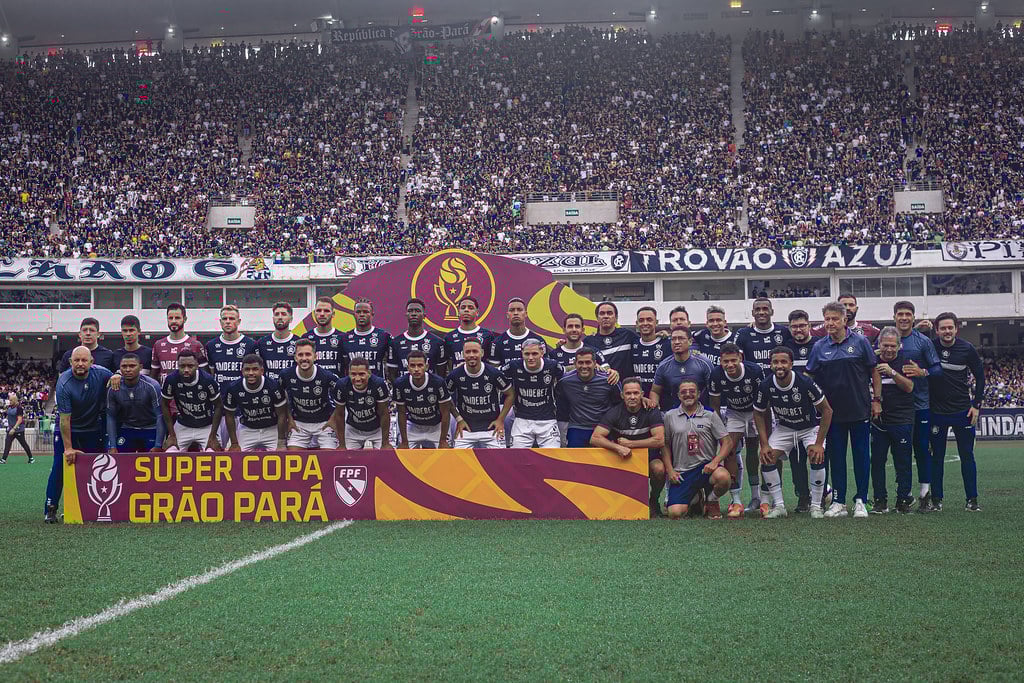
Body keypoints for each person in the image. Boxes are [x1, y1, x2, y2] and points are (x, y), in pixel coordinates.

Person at [806, 301, 882, 518]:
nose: (830, 323)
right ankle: (838, 501)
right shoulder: (819, 347)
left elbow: (874, 372)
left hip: (859, 410)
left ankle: (861, 500)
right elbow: (809, 377)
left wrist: (877, 400)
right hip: (832, 414)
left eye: (834, 319)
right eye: (827, 319)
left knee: (861, 458)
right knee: (836, 458)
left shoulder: (860, 342)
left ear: (844, 320)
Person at [753, 347, 833, 518]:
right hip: (785, 428)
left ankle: (816, 506)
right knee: (767, 457)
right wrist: (764, 444)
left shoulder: (805, 382)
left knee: (816, 455)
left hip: (809, 428)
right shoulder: (766, 385)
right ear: (770, 364)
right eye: (775, 362)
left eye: (783, 362)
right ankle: (779, 506)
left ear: (791, 364)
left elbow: (827, 410)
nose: (779, 365)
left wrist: (819, 444)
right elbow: (758, 413)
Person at [734, 297, 791, 512]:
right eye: (757, 309)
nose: (761, 312)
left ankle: (773, 495)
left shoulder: (783, 332)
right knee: (752, 448)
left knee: (774, 448)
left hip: (778, 399)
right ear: (752, 312)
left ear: (772, 311)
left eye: (765, 308)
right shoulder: (743, 334)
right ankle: (756, 496)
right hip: (752, 400)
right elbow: (736, 360)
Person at [46, 346, 113, 523]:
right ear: (70, 362)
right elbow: (65, 420)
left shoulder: (102, 373)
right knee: (59, 467)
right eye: (76, 360)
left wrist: (118, 375)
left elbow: (116, 376)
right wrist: (68, 448)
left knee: (95, 469)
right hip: (68, 429)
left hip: (92, 429)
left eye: (84, 360)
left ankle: (87, 508)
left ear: (91, 362)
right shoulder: (64, 383)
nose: (80, 364)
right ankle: (50, 508)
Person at [928, 312, 984, 512]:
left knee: (967, 455)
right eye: (943, 328)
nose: (947, 331)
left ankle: (972, 500)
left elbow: (980, 376)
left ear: (956, 329)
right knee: (936, 457)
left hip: (962, 411)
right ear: (937, 330)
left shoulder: (967, 348)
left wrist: (976, 405)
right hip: (937, 411)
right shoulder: (930, 346)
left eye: (950, 327)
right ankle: (936, 500)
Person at [891, 301, 943, 511]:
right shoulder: (888, 339)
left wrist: (923, 372)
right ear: (894, 317)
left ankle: (925, 494)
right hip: (895, 407)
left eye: (907, 314)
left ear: (913, 317)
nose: (904, 318)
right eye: (900, 314)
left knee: (921, 449)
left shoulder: (923, 342)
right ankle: (904, 494)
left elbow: (937, 369)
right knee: (899, 452)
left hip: (920, 405)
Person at [590, 378, 665, 517]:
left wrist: (631, 444)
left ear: (642, 394)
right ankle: (612, 503)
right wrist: (617, 448)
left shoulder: (651, 410)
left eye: (636, 393)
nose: (632, 397)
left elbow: (660, 440)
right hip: (622, 458)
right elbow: (595, 438)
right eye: (628, 393)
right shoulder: (614, 412)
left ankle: (654, 500)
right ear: (622, 395)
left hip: (648, 457)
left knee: (659, 468)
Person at [708, 342, 765, 518]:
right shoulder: (716, 374)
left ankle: (759, 498)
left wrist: (764, 426)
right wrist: (719, 431)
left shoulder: (754, 371)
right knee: (729, 451)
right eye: (726, 361)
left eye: (733, 360)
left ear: (740, 358)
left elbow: (764, 400)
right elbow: (715, 405)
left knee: (758, 451)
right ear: (721, 361)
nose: (730, 364)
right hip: (734, 413)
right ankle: (736, 500)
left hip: (755, 411)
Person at [662, 380, 733, 520]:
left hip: (705, 468)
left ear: (699, 394)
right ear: (678, 395)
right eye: (683, 392)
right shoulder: (670, 416)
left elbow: (727, 442)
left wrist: (715, 462)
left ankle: (711, 500)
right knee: (675, 513)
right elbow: (665, 445)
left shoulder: (710, 414)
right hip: (682, 471)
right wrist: (670, 470)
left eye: (692, 391)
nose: (688, 394)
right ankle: (696, 497)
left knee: (723, 477)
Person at [870, 326, 916, 515]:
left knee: (902, 462)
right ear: (879, 344)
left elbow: (910, 387)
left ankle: (903, 499)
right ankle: (880, 501)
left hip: (902, 419)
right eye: (885, 345)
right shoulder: (871, 361)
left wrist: (892, 372)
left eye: (892, 346)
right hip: (878, 420)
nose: (889, 349)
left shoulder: (906, 361)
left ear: (899, 346)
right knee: (877, 462)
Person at [447, 339, 514, 449]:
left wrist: (500, 420)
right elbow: (446, 398)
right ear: (463, 354)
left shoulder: (494, 373)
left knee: (501, 459)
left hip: (492, 429)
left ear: (482, 353)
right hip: (466, 430)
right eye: (468, 352)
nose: (471, 355)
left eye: (475, 351)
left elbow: (510, 394)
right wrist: (459, 419)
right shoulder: (455, 375)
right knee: (458, 459)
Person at [206, 305, 258, 444]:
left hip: (244, 409)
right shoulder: (211, 345)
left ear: (239, 321)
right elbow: (212, 374)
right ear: (220, 322)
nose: (228, 322)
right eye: (225, 319)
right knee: (219, 449)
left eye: (231, 318)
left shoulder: (250, 344)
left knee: (241, 450)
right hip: (221, 409)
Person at [785, 309, 819, 512]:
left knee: (818, 455)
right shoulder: (786, 347)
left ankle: (820, 494)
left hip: (816, 409)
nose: (798, 330)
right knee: (796, 459)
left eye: (802, 326)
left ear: (809, 326)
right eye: (794, 326)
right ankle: (803, 496)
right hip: (792, 412)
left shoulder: (819, 345)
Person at [279, 339, 340, 449]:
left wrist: (333, 418)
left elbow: (343, 397)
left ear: (315, 357)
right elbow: (280, 398)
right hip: (299, 423)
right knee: (293, 457)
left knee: (330, 457)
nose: (304, 358)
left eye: (308, 354)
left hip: (324, 422)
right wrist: (289, 418)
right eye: (300, 355)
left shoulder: (327, 376)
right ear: (295, 358)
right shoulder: (286, 375)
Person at [504, 339, 564, 448]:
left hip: (548, 421)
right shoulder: (513, 365)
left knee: (553, 456)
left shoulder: (553, 365)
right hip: (521, 420)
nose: (530, 358)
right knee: (516, 456)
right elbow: (493, 374)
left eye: (534, 353)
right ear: (522, 353)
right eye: (527, 354)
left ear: (542, 352)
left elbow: (568, 374)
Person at [556, 348, 621, 447]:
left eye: (588, 362)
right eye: (580, 363)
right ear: (575, 364)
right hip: (577, 427)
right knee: (573, 456)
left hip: (603, 428)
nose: (584, 366)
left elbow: (620, 403)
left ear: (595, 363)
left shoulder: (609, 379)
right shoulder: (565, 381)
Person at [223, 354, 288, 452]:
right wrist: (234, 443)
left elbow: (282, 414)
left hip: (271, 429)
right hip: (247, 429)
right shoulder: (233, 388)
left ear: (262, 371)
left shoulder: (274, 387)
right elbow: (229, 415)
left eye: (255, 369)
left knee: (282, 456)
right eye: (247, 369)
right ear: (242, 371)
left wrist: (281, 442)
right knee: (233, 455)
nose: (251, 373)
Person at [161, 350, 222, 452]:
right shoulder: (171, 380)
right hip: (183, 426)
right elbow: (164, 404)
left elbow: (219, 406)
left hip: (207, 426)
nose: (186, 370)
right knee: (170, 453)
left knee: (212, 454)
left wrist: (212, 436)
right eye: (182, 366)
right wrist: (172, 434)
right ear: (177, 366)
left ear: (197, 365)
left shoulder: (208, 380)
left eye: (190, 366)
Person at [106, 353, 164, 453]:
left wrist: (158, 445)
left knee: (152, 457)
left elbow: (160, 415)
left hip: (151, 428)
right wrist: (112, 446)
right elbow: (110, 416)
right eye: (124, 366)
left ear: (140, 367)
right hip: (128, 428)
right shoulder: (114, 388)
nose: (128, 369)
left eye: (132, 366)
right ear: (120, 368)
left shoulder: (152, 386)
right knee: (119, 457)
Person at [393, 350, 452, 449]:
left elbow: (445, 413)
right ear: (408, 367)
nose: (416, 369)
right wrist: (404, 441)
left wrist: (442, 440)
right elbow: (401, 413)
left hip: (436, 426)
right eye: (412, 366)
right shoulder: (400, 384)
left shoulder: (438, 382)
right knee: (402, 453)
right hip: (413, 426)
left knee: (445, 454)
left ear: (426, 366)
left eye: (420, 365)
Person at [331, 358, 391, 449]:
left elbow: (384, 414)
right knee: (344, 456)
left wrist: (385, 443)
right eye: (353, 374)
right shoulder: (341, 385)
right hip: (353, 430)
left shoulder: (379, 384)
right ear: (348, 374)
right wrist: (342, 445)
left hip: (377, 430)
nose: (357, 379)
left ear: (369, 373)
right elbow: (339, 415)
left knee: (386, 455)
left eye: (361, 374)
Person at [650, 327, 713, 411]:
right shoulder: (663, 366)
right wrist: (655, 410)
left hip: (701, 412)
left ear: (690, 341)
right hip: (674, 412)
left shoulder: (704, 363)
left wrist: (712, 412)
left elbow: (713, 391)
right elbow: (655, 391)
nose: (676, 342)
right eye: (673, 339)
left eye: (681, 338)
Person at [388, 298, 448, 380]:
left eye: (417, 311)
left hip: (429, 387)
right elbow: (392, 375)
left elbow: (441, 375)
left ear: (424, 315)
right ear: (406, 314)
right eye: (410, 311)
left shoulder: (437, 342)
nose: (413, 314)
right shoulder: (395, 343)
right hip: (404, 387)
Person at [151, 303, 207, 385]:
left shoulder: (196, 345)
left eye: (177, 318)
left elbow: (205, 377)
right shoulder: (158, 345)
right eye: (170, 318)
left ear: (185, 319)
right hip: (165, 392)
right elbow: (153, 377)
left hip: (188, 392)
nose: (173, 321)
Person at [584, 301, 637, 380]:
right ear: (597, 318)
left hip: (625, 385)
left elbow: (646, 342)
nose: (606, 316)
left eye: (609, 313)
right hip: (600, 386)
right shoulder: (588, 341)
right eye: (602, 313)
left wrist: (657, 336)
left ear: (616, 317)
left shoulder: (627, 335)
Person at [341, 300, 392, 377]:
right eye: (358, 312)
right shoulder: (345, 338)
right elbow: (344, 365)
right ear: (354, 314)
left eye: (365, 312)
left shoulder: (384, 336)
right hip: (354, 382)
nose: (362, 315)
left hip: (376, 383)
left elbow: (392, 364)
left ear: (372, 315)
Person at [629, 307, 672, 397]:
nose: (645, 323)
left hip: (663, 400)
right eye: (641, 320)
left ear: (656, 322)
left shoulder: (668, 344)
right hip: (638, 400)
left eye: (649, 320)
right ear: (637, 324)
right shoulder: (632, 343)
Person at [490, 298, 544, 366]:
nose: (516, 313)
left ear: (526, 314)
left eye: (519, 310)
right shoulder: (497, 342)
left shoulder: (539, 340)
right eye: (512, 310)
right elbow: (494, 369)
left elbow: (545, 366)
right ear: (507, 315)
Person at [443, 296, 496, 366]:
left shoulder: (487, 335)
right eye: (463, 308)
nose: (466, 310)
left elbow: (492, 363)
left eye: (470, 308)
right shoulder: (449, 337)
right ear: (458, 312)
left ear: (477, 312)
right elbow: (449, 363)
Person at [303, 296, 346, 376]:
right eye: (318, 310)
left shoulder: (342, 337)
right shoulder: (306, 338)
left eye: (326, 311)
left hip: (336, 383)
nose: (322, 314)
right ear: (314, 313)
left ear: (333, 314)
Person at [257, 301, 298, 384]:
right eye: (276, 314)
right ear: (273, 318)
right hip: (270, 389)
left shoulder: (298, 342)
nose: (280, 317)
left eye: (284, 314)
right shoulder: (262, 343)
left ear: (291, 319)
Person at [812, 293, 880, 342]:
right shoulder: (819, 331)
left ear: (856, 309)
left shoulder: (872, 331)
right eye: (844, 305)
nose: (847, 308)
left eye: (851, 305)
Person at [2, 392, 34, 463]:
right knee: (7, 444)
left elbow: (20, 420)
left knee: (23, 444)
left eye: (11, 400)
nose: (9, 401)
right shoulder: (9, 407)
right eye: (9, 400)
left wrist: (14, 429)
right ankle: (3, 459)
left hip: (19, 429)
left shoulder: (19, 408)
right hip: (10, 429)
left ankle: (31, 458)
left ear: (14, 400)